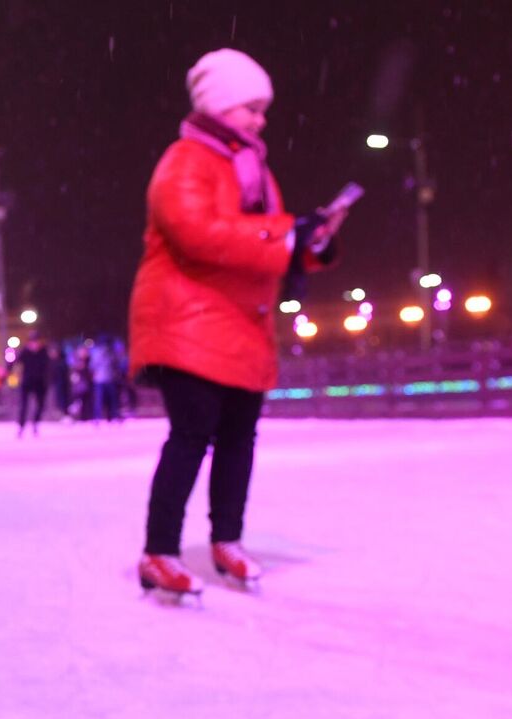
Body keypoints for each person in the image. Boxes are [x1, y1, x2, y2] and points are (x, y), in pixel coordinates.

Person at [130, 48, 344, 599]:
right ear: (220, 106)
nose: (260, 119)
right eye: (250, 108)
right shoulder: (185, 160)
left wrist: (311, 240)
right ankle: (159, 551)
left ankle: (228, 540)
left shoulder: (251, 167)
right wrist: (287, 233)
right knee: (191, 435)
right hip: (188, 321)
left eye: (262, 109)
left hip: (242, 324)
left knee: (238, 440)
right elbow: (198, 232)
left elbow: (264, 238)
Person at [15, 329, 52, 437]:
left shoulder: (43, 351)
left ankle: (35, 424)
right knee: (24, 405)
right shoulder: (25, 351)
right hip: (27, 382)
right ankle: (21, 426)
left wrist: (47, 379)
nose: (34, 344)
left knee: (40, 405)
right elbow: (15, 362)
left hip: (40, 382)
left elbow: (48, 367)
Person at [90, 337, 121, 424]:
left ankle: (98, 418)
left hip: (100, 379)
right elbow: (116, 364)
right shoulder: (111, 352)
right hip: (108, 378)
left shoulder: (96, 352)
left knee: (99, 400)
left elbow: (92, 366)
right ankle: (113, 416)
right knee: (111, 399)